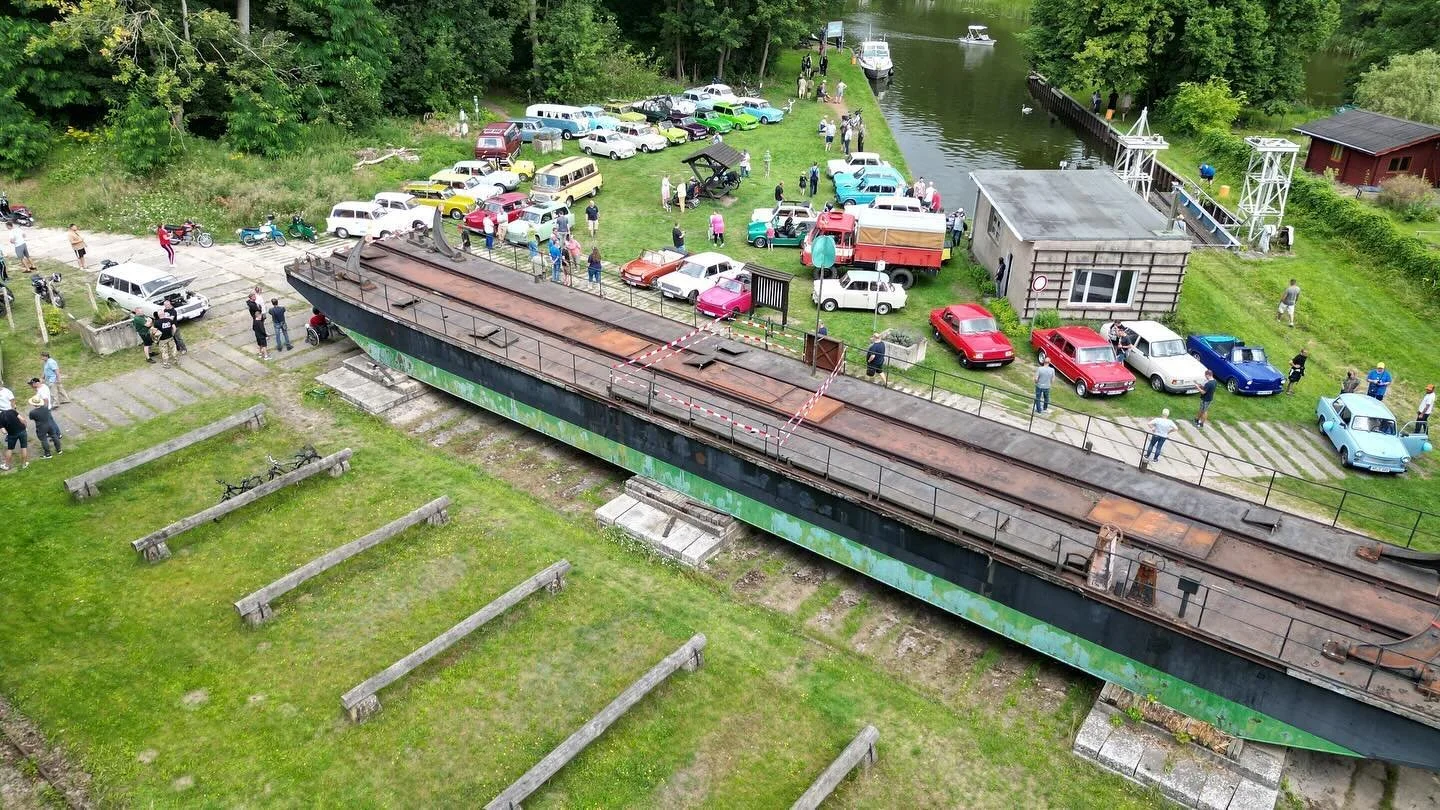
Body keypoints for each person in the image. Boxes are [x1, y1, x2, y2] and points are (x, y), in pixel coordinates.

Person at [27, 394, 61, 459]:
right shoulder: (45, 407)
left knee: (43, 439)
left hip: (41, 427)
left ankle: (48, 454)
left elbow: (31, 418)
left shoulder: (32, 412)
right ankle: (59, 450)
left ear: (33, 404)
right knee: (54, 435)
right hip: (49, 424)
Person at [0, 402, 27, 471]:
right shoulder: (12, 411)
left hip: (12, 435)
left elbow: (4, 431)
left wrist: (7, 433)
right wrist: (25, 427)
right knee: (24, 447)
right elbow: (23, 419)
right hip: (22, 431)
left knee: (10, 449)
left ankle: (7, 466)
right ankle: (24, 464)